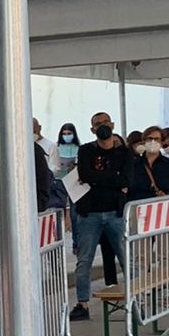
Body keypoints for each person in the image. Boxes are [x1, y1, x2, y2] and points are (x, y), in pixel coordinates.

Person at [69, 118, 132, 321]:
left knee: (125, 256)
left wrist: (99, 178)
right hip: (90, 213)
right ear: (92, 129)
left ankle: (135, 299)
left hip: (116, 212)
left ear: (113, 125)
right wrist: (113, 177)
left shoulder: (124, 152)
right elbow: (85, 175)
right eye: (98, 124)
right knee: (84, 259)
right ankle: (82, 303)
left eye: (105, 122)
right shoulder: (86, 150)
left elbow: (126, 178)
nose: (102, 127)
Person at [128, 127, 169, 199]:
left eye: (157, 139)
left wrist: (166, 195)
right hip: (139, 206)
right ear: (144, 141)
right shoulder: (134, 164)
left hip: (163, 206)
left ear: (162, 142)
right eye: (149, 139)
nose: (153, 142)